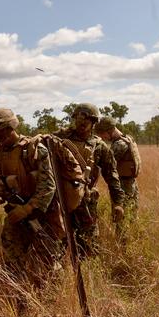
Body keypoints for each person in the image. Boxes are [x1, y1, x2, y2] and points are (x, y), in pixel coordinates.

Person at [0, 108, 63, 283]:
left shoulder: (34, 150)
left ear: (11, 127)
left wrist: (26, 209)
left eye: (1, 131)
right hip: (14, 215)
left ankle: (53, 297)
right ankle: (18, 293)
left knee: (48, 259)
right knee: (12, 259)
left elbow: (48, 186)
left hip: (41, 216)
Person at [54, 103, 125, 256]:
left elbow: (112, 177)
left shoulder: (99, 147)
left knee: (89, 244)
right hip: (60, 198)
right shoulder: (58, 138)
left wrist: (118, 203)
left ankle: (88, 274)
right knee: (57, 242)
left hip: (86, 200)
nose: (82, 125)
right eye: (79, 121)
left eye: (86, 122)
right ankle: (59, 276)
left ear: (93, 122)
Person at [95, 116, 141, 242]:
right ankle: (130, 243)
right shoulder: (128, 139)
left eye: (102, 134)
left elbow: (106, 162)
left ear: (109, 131)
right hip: (131, 184)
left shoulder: (119, 145)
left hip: (123, 186)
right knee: (131, 216)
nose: (102, 137)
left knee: (121, 218)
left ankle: (123, 246)